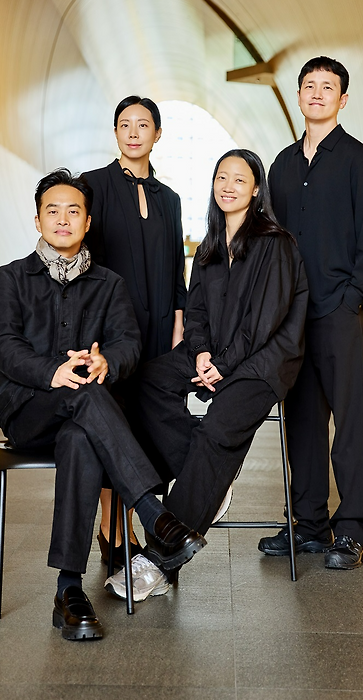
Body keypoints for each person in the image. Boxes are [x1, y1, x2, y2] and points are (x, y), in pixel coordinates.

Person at [0, 168, 205, 640]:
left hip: (83, 417)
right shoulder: (10, 279)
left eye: (73, 212)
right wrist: (52, 372)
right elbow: (2, 344)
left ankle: (68, 591)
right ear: (38, 220)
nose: (63, 219)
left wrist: (108, 361)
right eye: (53, 211)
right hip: (26, 409)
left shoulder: (109, 284)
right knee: (80, 396)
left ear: (88, 223)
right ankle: (153, 513)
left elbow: (129, 341)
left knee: (82, 433)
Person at [104, 149, 308, 601]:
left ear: (256, 189)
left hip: (262, 363)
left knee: (218, 427)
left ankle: (158, 558)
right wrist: (199, 353)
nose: (228, 185)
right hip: (214, 354)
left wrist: (223, 363)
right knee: (145, 382)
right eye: (221, 176)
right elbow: (195, 312)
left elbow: (264, 323)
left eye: (239, 178)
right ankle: (212, 474)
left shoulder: (275, 243)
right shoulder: (209, 248)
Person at [259, 55, 363, 569]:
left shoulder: (360, 162)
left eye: (327, 87)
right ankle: (309, 525)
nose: (317, 93)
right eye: (309, 85)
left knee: (350, 422)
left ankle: (353, 529)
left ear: (342, 99)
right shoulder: (282, 166)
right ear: (298, 96)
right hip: (293, 316)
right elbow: (270, 240)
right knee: (303, 421)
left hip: (339, 310)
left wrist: (356, 298)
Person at [82, 96, 187, 564]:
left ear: (157, 134)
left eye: (142, 125)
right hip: (112, 330)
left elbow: (175, 266)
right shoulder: (94, 186)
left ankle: (142, 523)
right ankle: (114, 529)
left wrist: (180, 323)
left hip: (161, 326)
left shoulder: (171, 199)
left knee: (152, 424)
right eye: (124, 124)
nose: (132, 132)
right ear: (116, 133)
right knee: (115, 423)